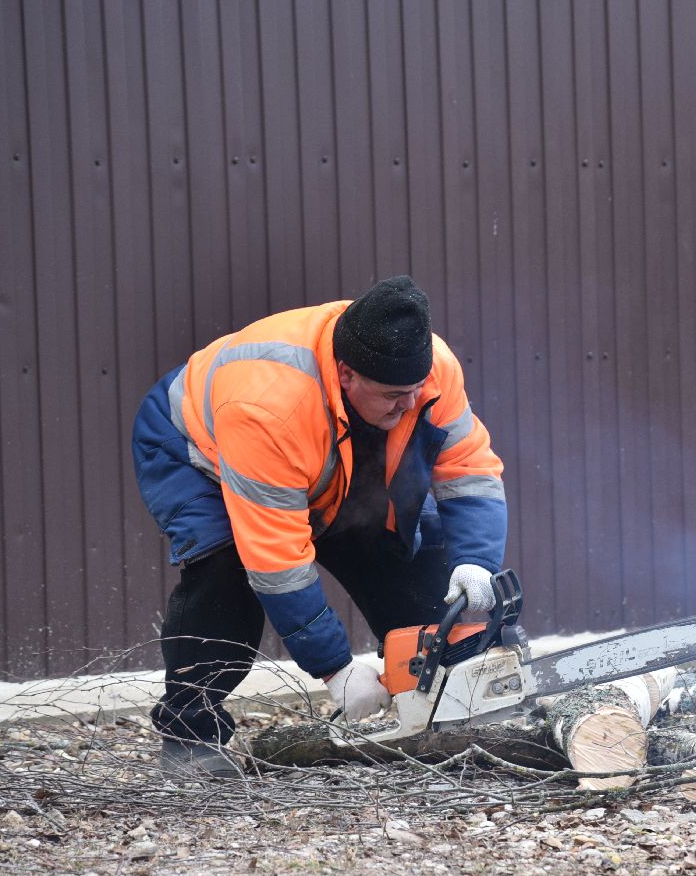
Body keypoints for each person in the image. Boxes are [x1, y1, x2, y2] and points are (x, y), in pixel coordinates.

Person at [130, 276, 506, 778]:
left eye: (417, 391)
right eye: (396, 394)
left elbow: (469, 470)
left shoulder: (429, 366)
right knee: (226, 574)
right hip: (198, 453)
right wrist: (336, 670)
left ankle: (445, 712)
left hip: (330, 445)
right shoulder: (266, 405)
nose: (411, 404)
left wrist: (476, 564)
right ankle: (190, 735)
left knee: (409, 558)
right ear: (347, 374)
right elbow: (278, 559)